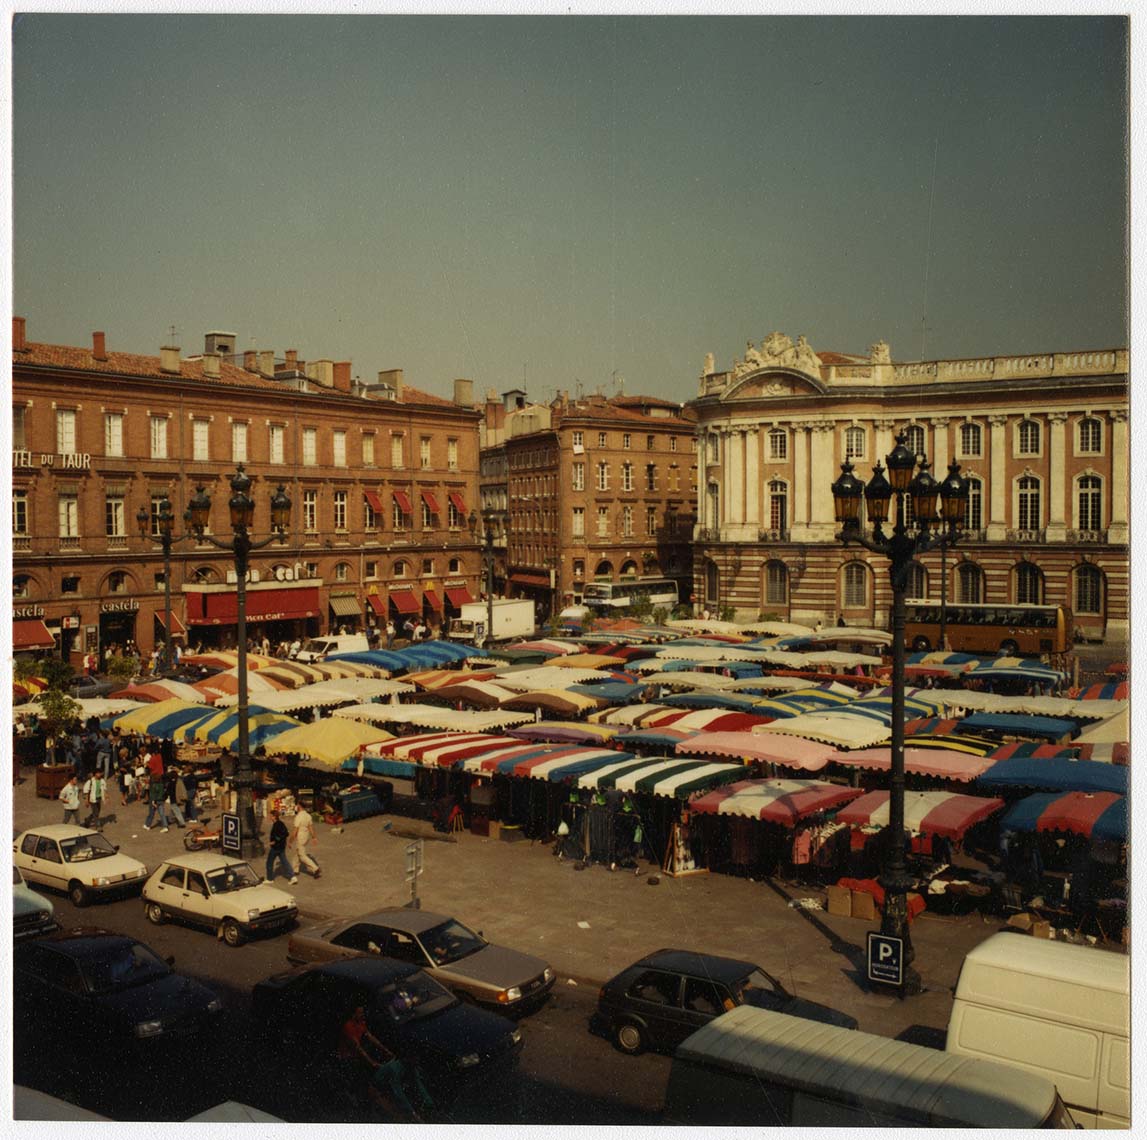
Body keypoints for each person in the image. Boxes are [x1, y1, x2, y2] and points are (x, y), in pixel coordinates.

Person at [336, 1007, 432, 1120]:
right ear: (353, 1014)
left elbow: (371, 1038)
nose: (363, 1014)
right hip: (347, 1057)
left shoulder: (361, 1022)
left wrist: (386, 1051)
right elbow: (357, 1048)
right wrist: (372, 1062)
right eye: (360, 1013)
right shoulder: (348, 1026)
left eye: (363, 1012)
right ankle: (355, 1101)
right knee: (357, 1081)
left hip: (358, 1056)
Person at [265, 809, 298, 883]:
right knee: (284, 862)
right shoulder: (281, 823)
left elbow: (279, 835)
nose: (270, 817)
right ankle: (292, 877)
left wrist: (274, 841)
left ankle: (269, 879)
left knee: (269, 862)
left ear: (274, 817)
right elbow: (286, 833)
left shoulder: (276, 825)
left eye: (271, 816)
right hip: (282, 847)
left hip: (276, 847)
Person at [290, 804, 321, 878]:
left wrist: (290, 840)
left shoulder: (298, 817)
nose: (296, 807)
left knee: (302, 855)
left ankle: (315, 868)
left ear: (299, 806)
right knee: (298, 852)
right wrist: (314, 837)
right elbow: (310, 827)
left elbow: (295, 830)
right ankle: (295, 869)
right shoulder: (308, 815)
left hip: (300, 837)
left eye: (297, 806)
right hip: (306, 836)